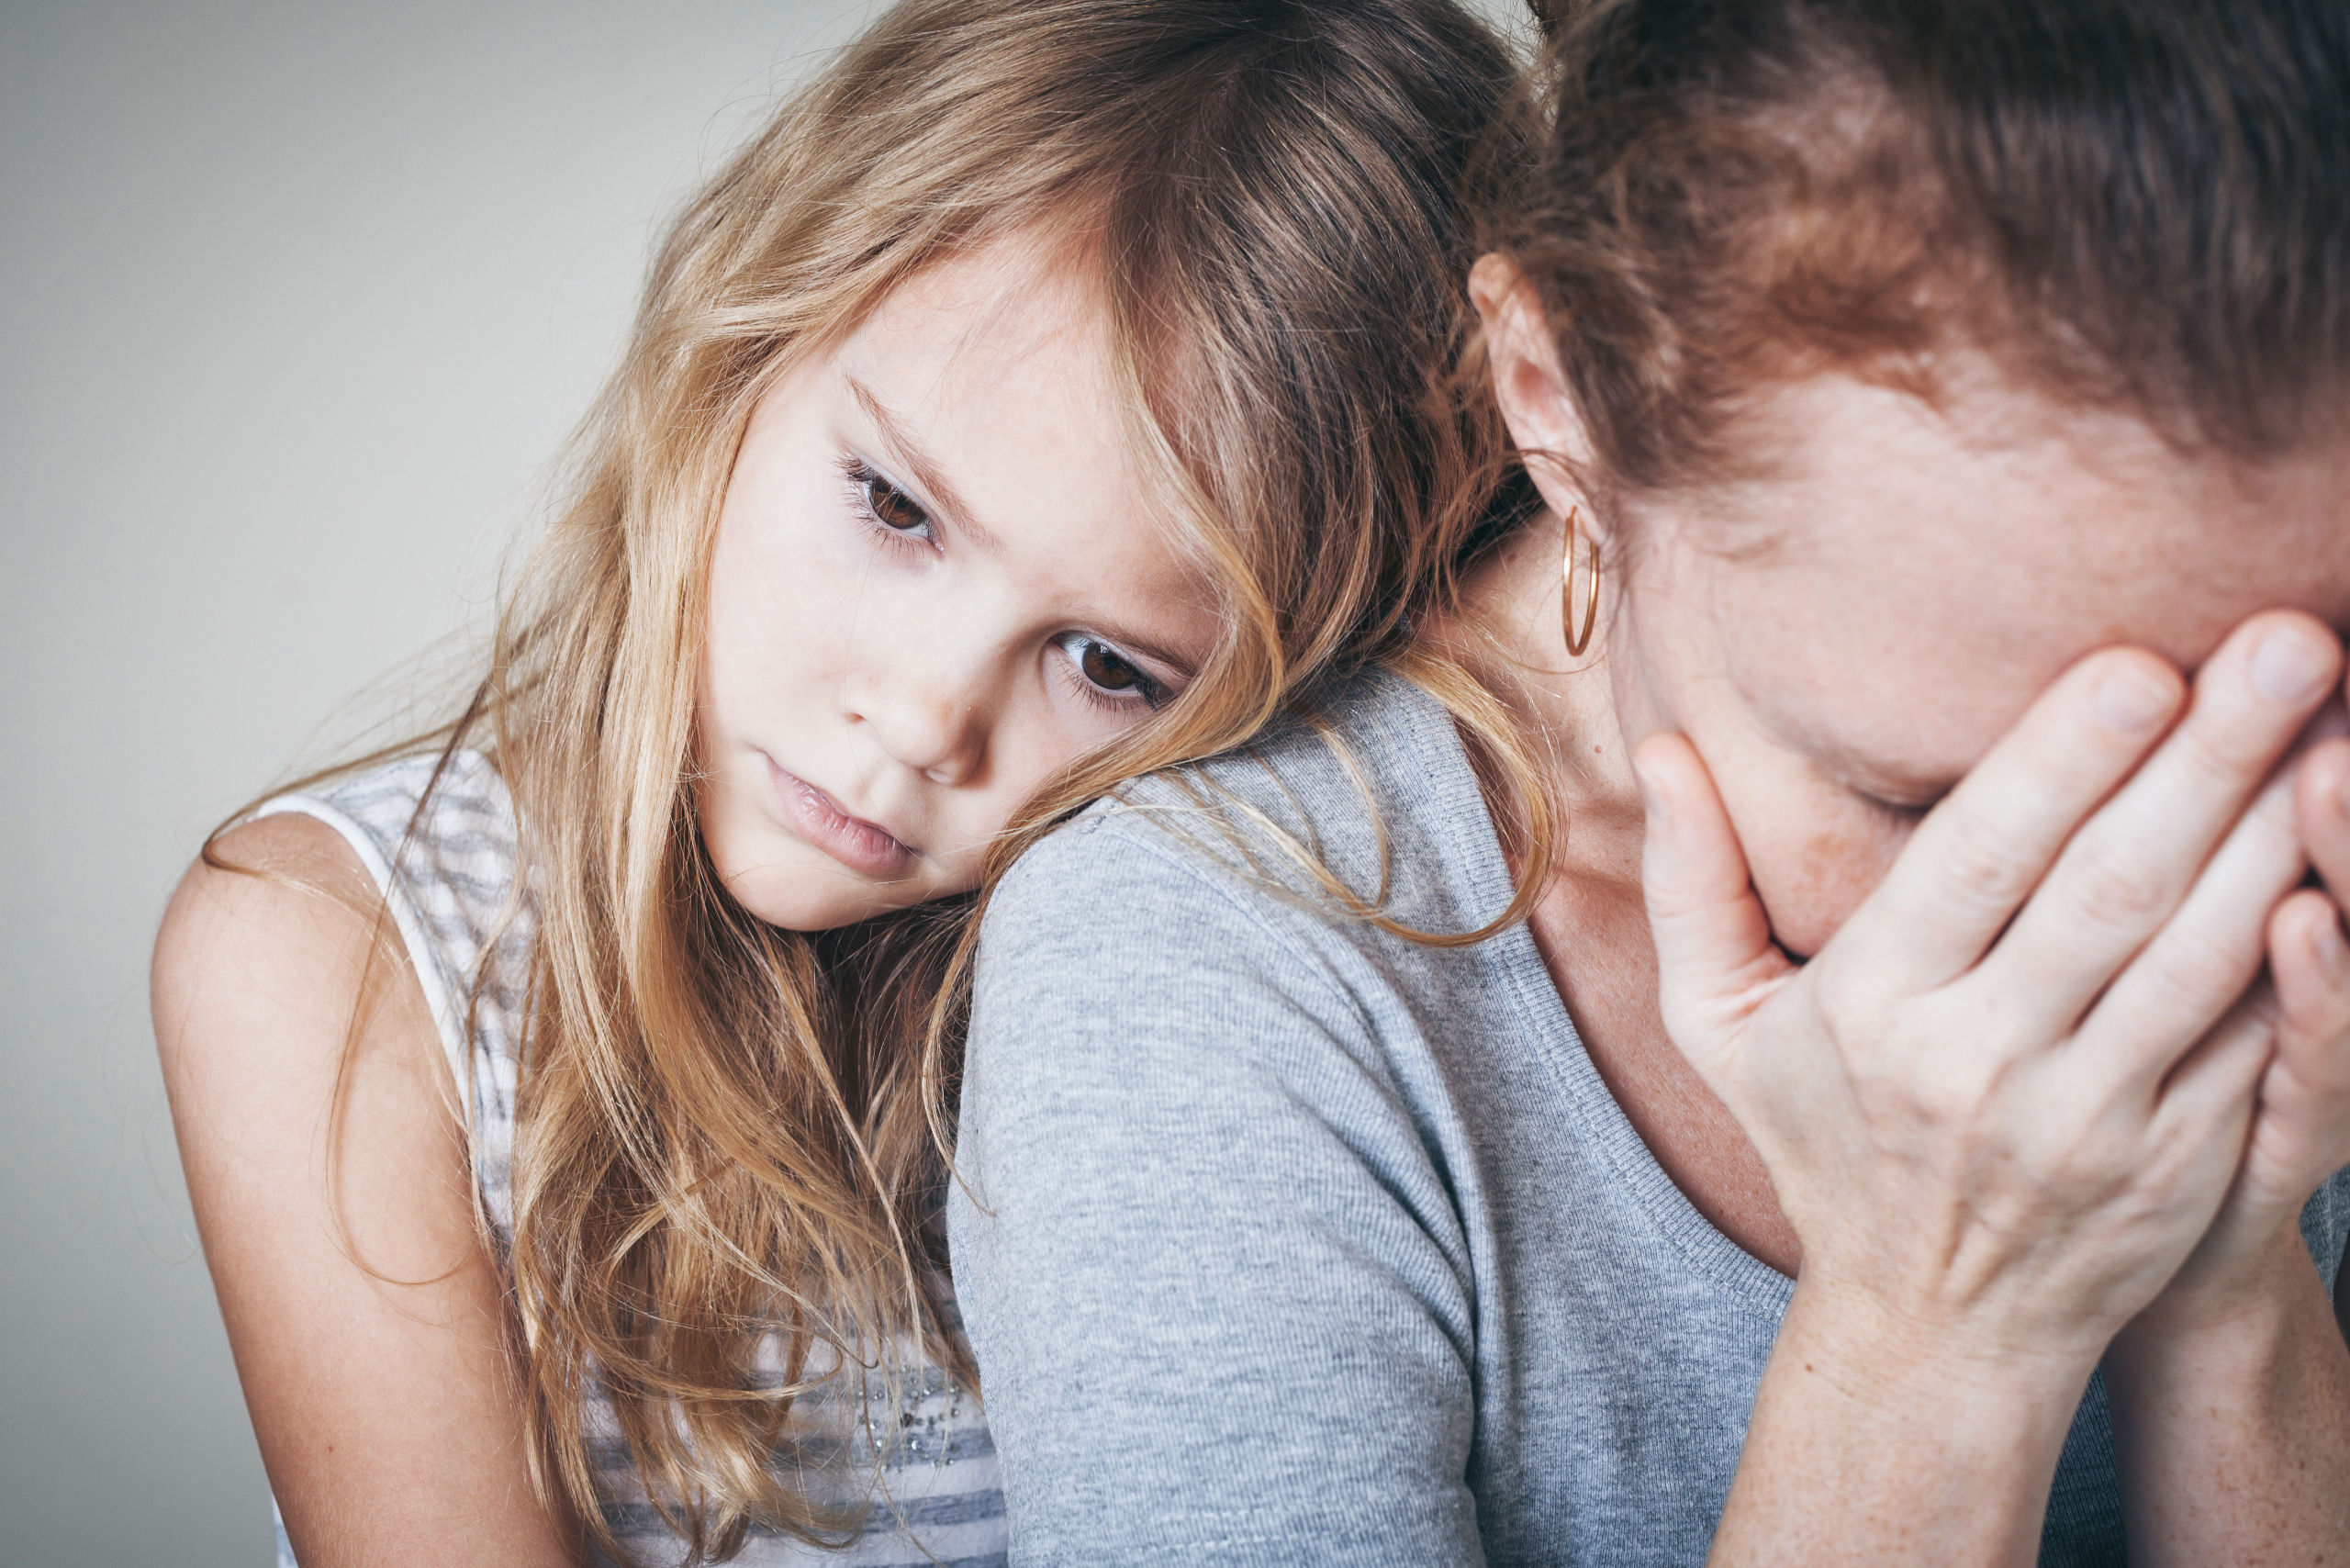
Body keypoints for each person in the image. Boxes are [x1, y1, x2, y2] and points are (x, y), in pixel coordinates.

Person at [948, 0, 2350, 1561]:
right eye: (1915, 800)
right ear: (1556, 403)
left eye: (2254, 763)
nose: (2126, 920)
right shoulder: (1206, 959)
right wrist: (1928, 1323)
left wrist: (2227, 1275)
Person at [147, 3, 1534, 1563]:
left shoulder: (1198, 1000)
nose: (928, 718)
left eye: (1108, 665)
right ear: (742, 339)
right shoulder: (331, 961)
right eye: (894, 506)